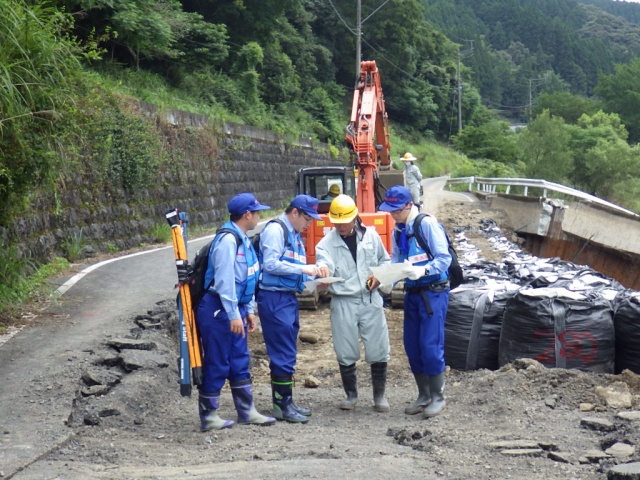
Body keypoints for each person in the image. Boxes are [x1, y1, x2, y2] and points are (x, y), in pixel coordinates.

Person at [195, 192, 276, 431]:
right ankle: (209, 415)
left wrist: (248, 309)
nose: (259, 216)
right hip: (218, 309)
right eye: (257, 212)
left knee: (240, 359)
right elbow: (224, 281)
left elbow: (248, 276)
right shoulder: (228, 241)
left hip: (235, 307)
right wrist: (232, 314)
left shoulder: (243, 239)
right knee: (218, 360)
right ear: (247, 214)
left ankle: (246, 411)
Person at [378, 185, 451, 418]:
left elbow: (444, 258)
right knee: (413, 346)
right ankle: (424, 394)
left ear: (409, 205)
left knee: (431, 345)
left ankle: (438, 397)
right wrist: (386, 279)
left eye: (396, 210)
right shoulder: (399, 230)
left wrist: (424, 271)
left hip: (433, 293)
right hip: (413, 293)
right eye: (389, 211)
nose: (392, 215)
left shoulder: (426, 224)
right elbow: (397, 261)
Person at [315, 194, 392, 413]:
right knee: (345, 348)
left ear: (355, 217)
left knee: (378, 347)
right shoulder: (326, 244)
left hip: (370, 298)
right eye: (336, 222)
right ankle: (351, 395)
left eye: (344, 222)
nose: (339, 226)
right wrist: (323, 272)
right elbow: (324, 263)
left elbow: (384, 260)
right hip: (343, 301)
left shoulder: (371, 237)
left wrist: (379, 276)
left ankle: (379, 396)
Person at [257, 194, 327, 423]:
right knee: (281, 351)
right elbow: (270, 263)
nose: (310, 224)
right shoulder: (277, 230)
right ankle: (281, 405)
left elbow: (292, 266)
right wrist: (305, 270)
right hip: (274, 298)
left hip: (286, 297)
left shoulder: (294, 233)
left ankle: (287, 401)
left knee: (288, 348)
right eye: (307, 218)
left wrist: (314, 273)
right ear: (294, 212)